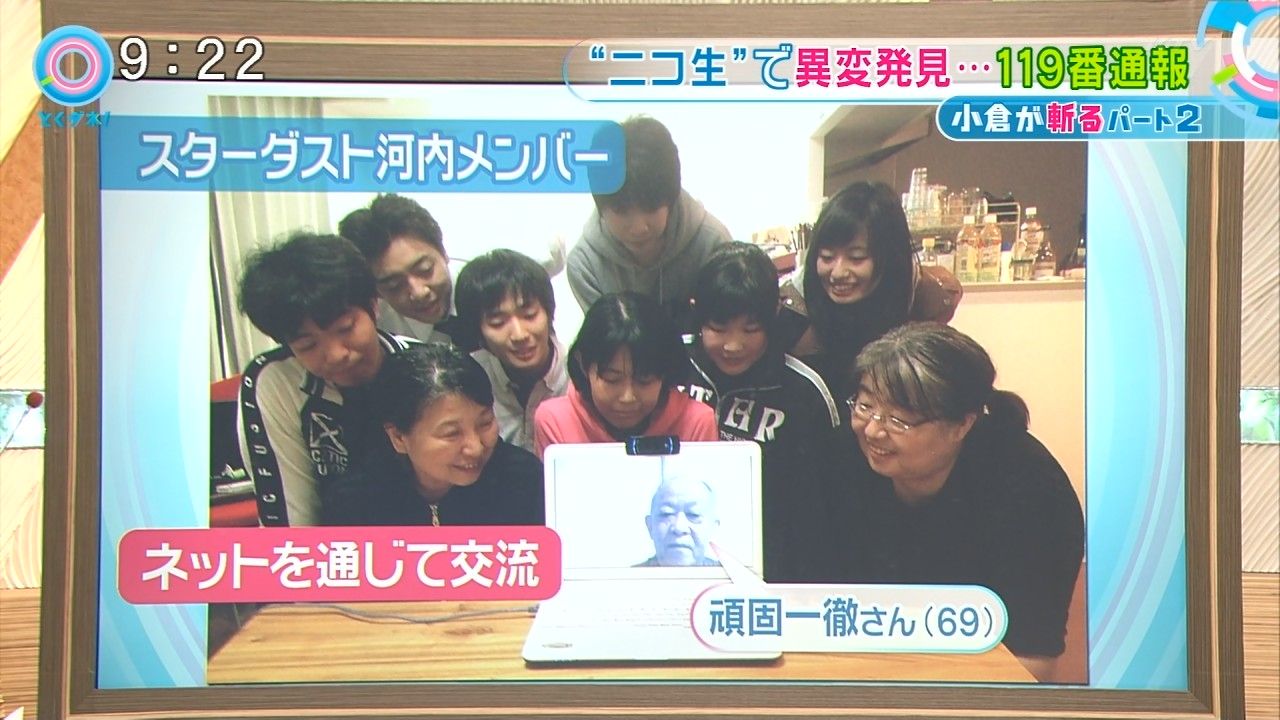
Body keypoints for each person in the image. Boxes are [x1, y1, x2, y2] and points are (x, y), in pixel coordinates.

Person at [835, 322, 1083, 681]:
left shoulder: (1032, 491)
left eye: (899, 420)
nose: (873, 430)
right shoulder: (843, 457)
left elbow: (1031, 662)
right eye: (865, 406)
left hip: (971, 680)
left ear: (962, 425)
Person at [235, 232, 419, 526]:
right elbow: (291, 523)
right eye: (307, 345)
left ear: (374, 306)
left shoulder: (428, 365)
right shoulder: (275, 381)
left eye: (345, 328)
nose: (334, 355)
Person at [684, 242, 842, 582]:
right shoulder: (672, 368)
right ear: (697, 313)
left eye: (751, 329)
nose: (733, 345)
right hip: (684, 558)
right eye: (719, 328)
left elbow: (818, 513)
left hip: (771, 569)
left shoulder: (803, 392)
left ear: (775, 313)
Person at [775, 180, 962, 398]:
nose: (837, 272)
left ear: (890, 257)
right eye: (826, 257)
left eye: (856, 258)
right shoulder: (790, 313)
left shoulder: (923, 301)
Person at [323, 343, 545, 527]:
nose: (475, 447)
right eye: (451, 433)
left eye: (485, 423)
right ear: (399, 438)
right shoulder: (355, 502)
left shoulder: (525, 481)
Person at [566, 115, 732, 325]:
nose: (639, 228)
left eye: (651, 208)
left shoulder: (713, 245)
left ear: (670, 198)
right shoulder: (586, 266)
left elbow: (731, 329)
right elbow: (607, 342)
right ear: (601, 205)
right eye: (621, 211)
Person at [533, 292, 718, 459]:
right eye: (612, 380)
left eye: (644, 381)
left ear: (664, 373)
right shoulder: (556, 421)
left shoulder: (696, 423)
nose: (627, 397)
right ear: (583, 365)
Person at [453, 249, 568, 454]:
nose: (519, 334)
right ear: (478, 331)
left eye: (529, 315)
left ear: (549, 313)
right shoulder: (465, 378)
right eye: (498, 322)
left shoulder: (580, 375)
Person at [338, 193, 462, 344]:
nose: (419, 293)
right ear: (377, 292)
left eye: (425, 270)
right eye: (394, 286)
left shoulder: (484, 291)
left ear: (443, 252)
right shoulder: (377, 329)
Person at [636, 475, 720, 567]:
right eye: (666, 514)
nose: (679, 527)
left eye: (694, 514)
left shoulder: (729, 575)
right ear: (650, 526)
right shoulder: (629, 576)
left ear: (713, 528)